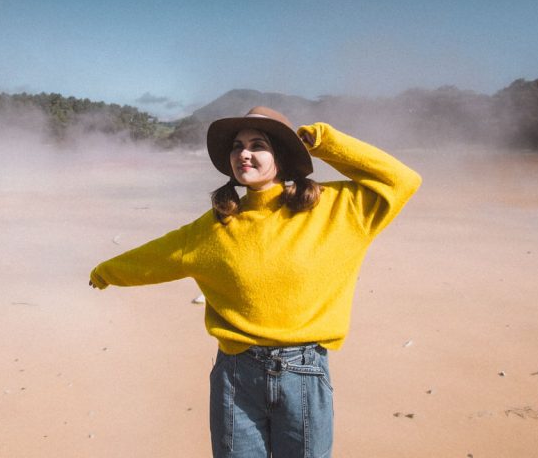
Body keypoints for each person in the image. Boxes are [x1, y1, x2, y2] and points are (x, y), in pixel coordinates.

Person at [89, 106, 421, 457]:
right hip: (236, 375)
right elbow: (158, 256)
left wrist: (325, 141)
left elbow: (402, 181)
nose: (243, 154)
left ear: (282, 155)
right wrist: (106, 272)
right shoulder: (215, 227)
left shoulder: (337, 209)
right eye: (236, 146)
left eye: (257, 144)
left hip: (303, 375)